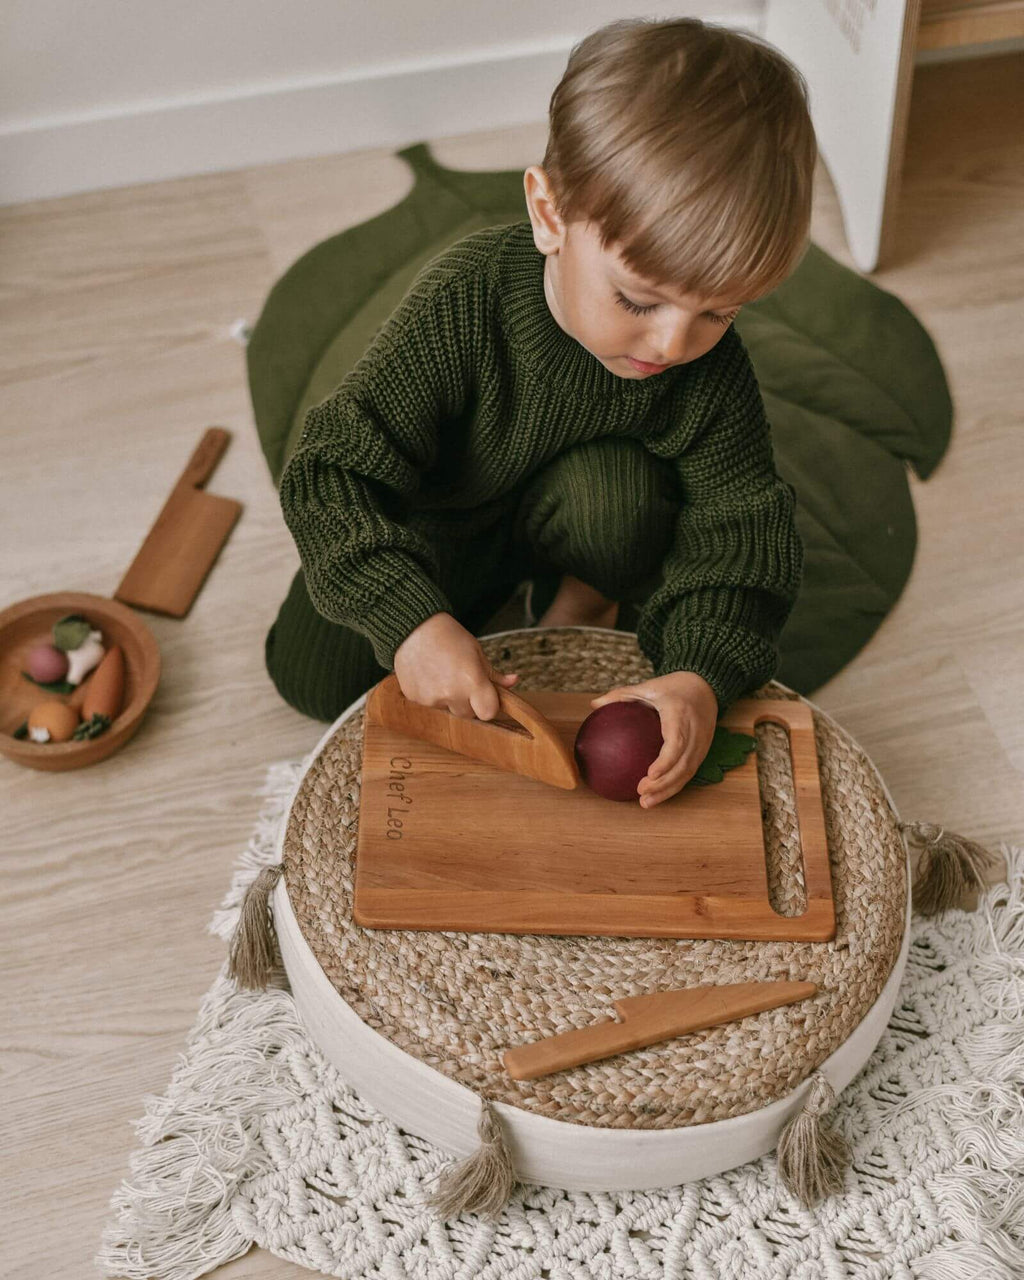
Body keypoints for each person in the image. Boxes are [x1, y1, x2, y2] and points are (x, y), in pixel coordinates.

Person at [265, 16, 814, 808]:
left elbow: (745, 531)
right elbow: (327, 474)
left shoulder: (707, 370)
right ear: (549, 214)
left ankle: (589, 590)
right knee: (310, 679)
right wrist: (413, 623)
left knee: (620, 501)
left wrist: (699, 674)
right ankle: (475, 596)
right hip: (440, 519)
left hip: (581, 503)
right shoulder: (467, 299)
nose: (671, 341)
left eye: (720, 313)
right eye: (638, 298)